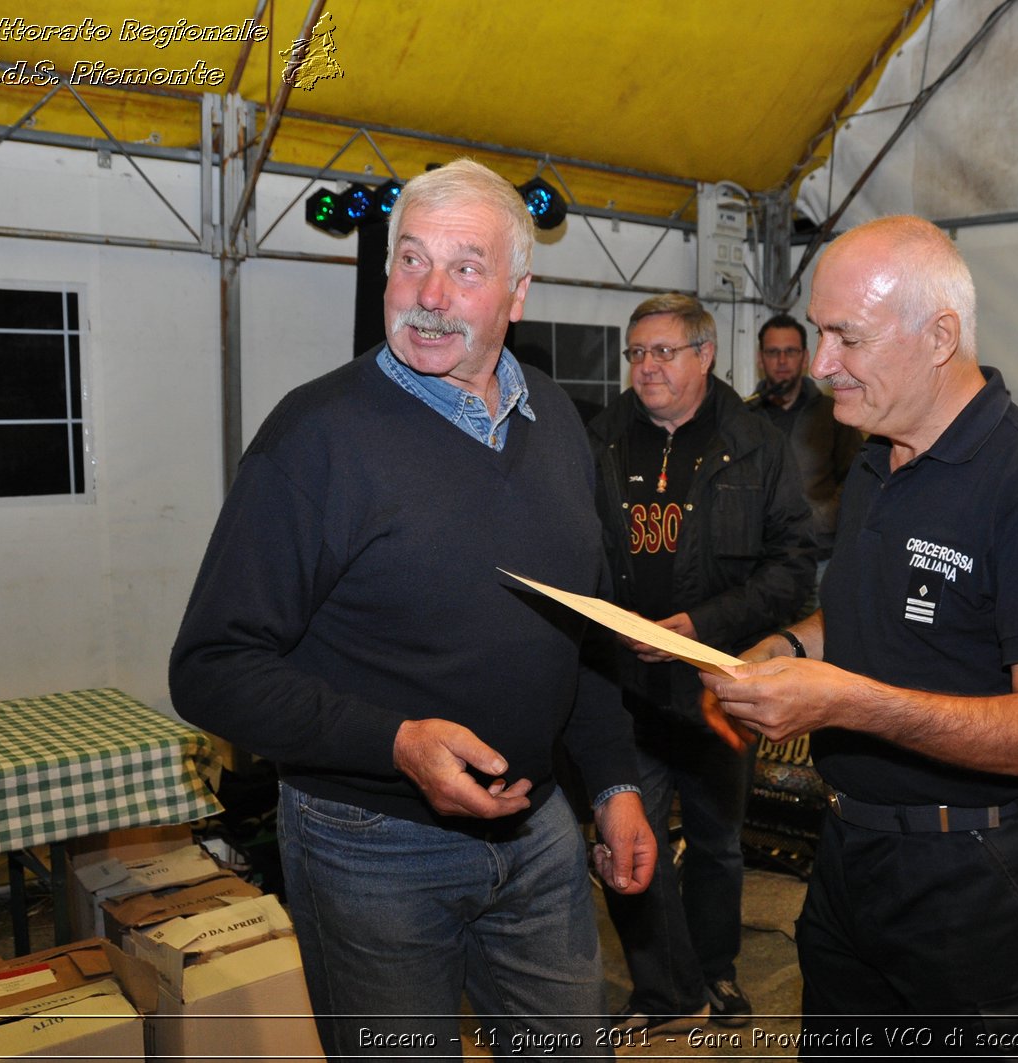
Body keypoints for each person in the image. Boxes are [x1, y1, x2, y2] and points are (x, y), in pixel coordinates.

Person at [169, 159, 654, 1061]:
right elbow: (210, 666)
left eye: (466, 269)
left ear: (518, 292)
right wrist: (395, 740)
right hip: (370, 847)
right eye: (411, 261)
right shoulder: (315, 437)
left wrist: (616, 783)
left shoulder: (556, 419)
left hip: (543, 828)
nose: (428, 295)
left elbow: (584, 630)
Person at [702, 215, 1018, 1055]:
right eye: (819, 334)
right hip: (851, 855)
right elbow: (870, 614)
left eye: (845, 336)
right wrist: (788, 653)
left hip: (978, 881)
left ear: (939, 337)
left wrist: (848, 702)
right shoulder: (874, 458)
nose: (819, 366)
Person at [588, 293, 815, 1033]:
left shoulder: (755, 443)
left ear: (705, 353)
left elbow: (793, 568)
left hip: (720, 685)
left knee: (718, 843)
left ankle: (714, 969)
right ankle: (662, 987)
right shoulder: (604, 437)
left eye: (662, 352)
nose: (645, 368)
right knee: (631, 838)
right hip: (625, 687)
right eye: (636, 354)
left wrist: (703, 624)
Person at [747, 312, 862, 587]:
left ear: (806, 357)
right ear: (760, 359)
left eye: (790, 351)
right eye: (773, 352)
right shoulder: (742, 417)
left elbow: (856, 478)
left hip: (821, 559)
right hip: (760, 563)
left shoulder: (834, 414)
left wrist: (817, 520)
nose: (782, 361)